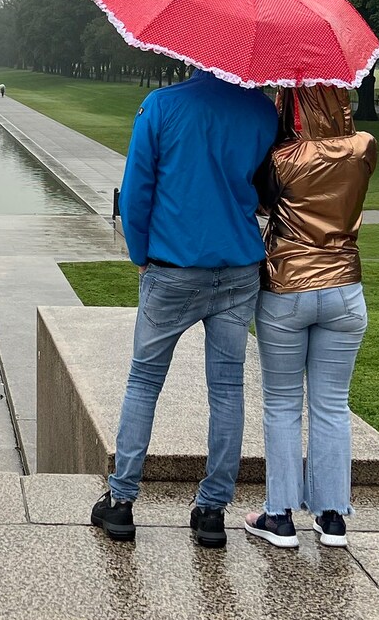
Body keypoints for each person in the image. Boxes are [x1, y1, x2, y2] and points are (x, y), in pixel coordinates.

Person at [91, 68, 278, 548]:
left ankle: (122, 502)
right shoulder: (261, 107)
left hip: (173, 263)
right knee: (227, 390)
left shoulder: (162, 105)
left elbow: (135, 192)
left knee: (144, 381)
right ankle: (213, 511)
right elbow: (262, 188)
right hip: (238, 264)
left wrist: (139, 253)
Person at [244, 86, 377, 550]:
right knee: (332, 405)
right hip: (345, 287)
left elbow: (262, 203)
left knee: (282, 404)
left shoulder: (282, 158)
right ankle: (333, 514)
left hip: (288, 287)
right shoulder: (364, 148)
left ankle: (279, 514)